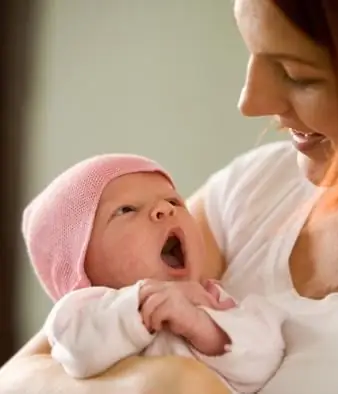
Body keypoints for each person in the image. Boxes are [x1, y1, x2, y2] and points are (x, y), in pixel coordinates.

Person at [1, 0, 338, 393]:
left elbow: (253, 346)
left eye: (297, 74)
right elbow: (15, 378)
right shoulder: (263, 185)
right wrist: (165, 384)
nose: (250, 103)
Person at [21, 153, 286, 393]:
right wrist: (139, 306)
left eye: (173, 200)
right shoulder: (80, 313)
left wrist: (204, 328)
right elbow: (77, 353)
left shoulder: (215, 302)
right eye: (126, 210)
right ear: (80, 262)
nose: (166, 209)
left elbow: (265, 361)